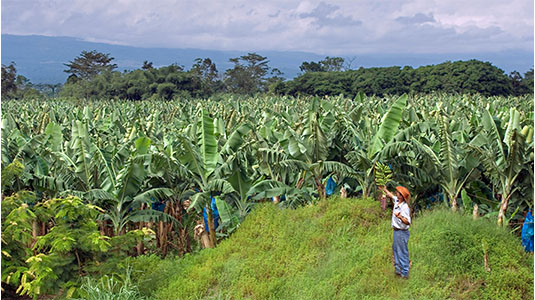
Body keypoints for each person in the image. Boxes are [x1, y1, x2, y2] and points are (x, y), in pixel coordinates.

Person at [383, 186, 411, 279]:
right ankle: (398, 270)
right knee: (396, 250)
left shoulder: (404, 207)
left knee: (402, 251)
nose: (396, 194)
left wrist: (400, 217)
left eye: (398, 193)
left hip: (402, 232)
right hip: (396, 231)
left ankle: (404, 273)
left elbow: (408, 221)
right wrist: (384, 189)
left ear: (402, 196)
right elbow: (390, 195)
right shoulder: (396, 201)